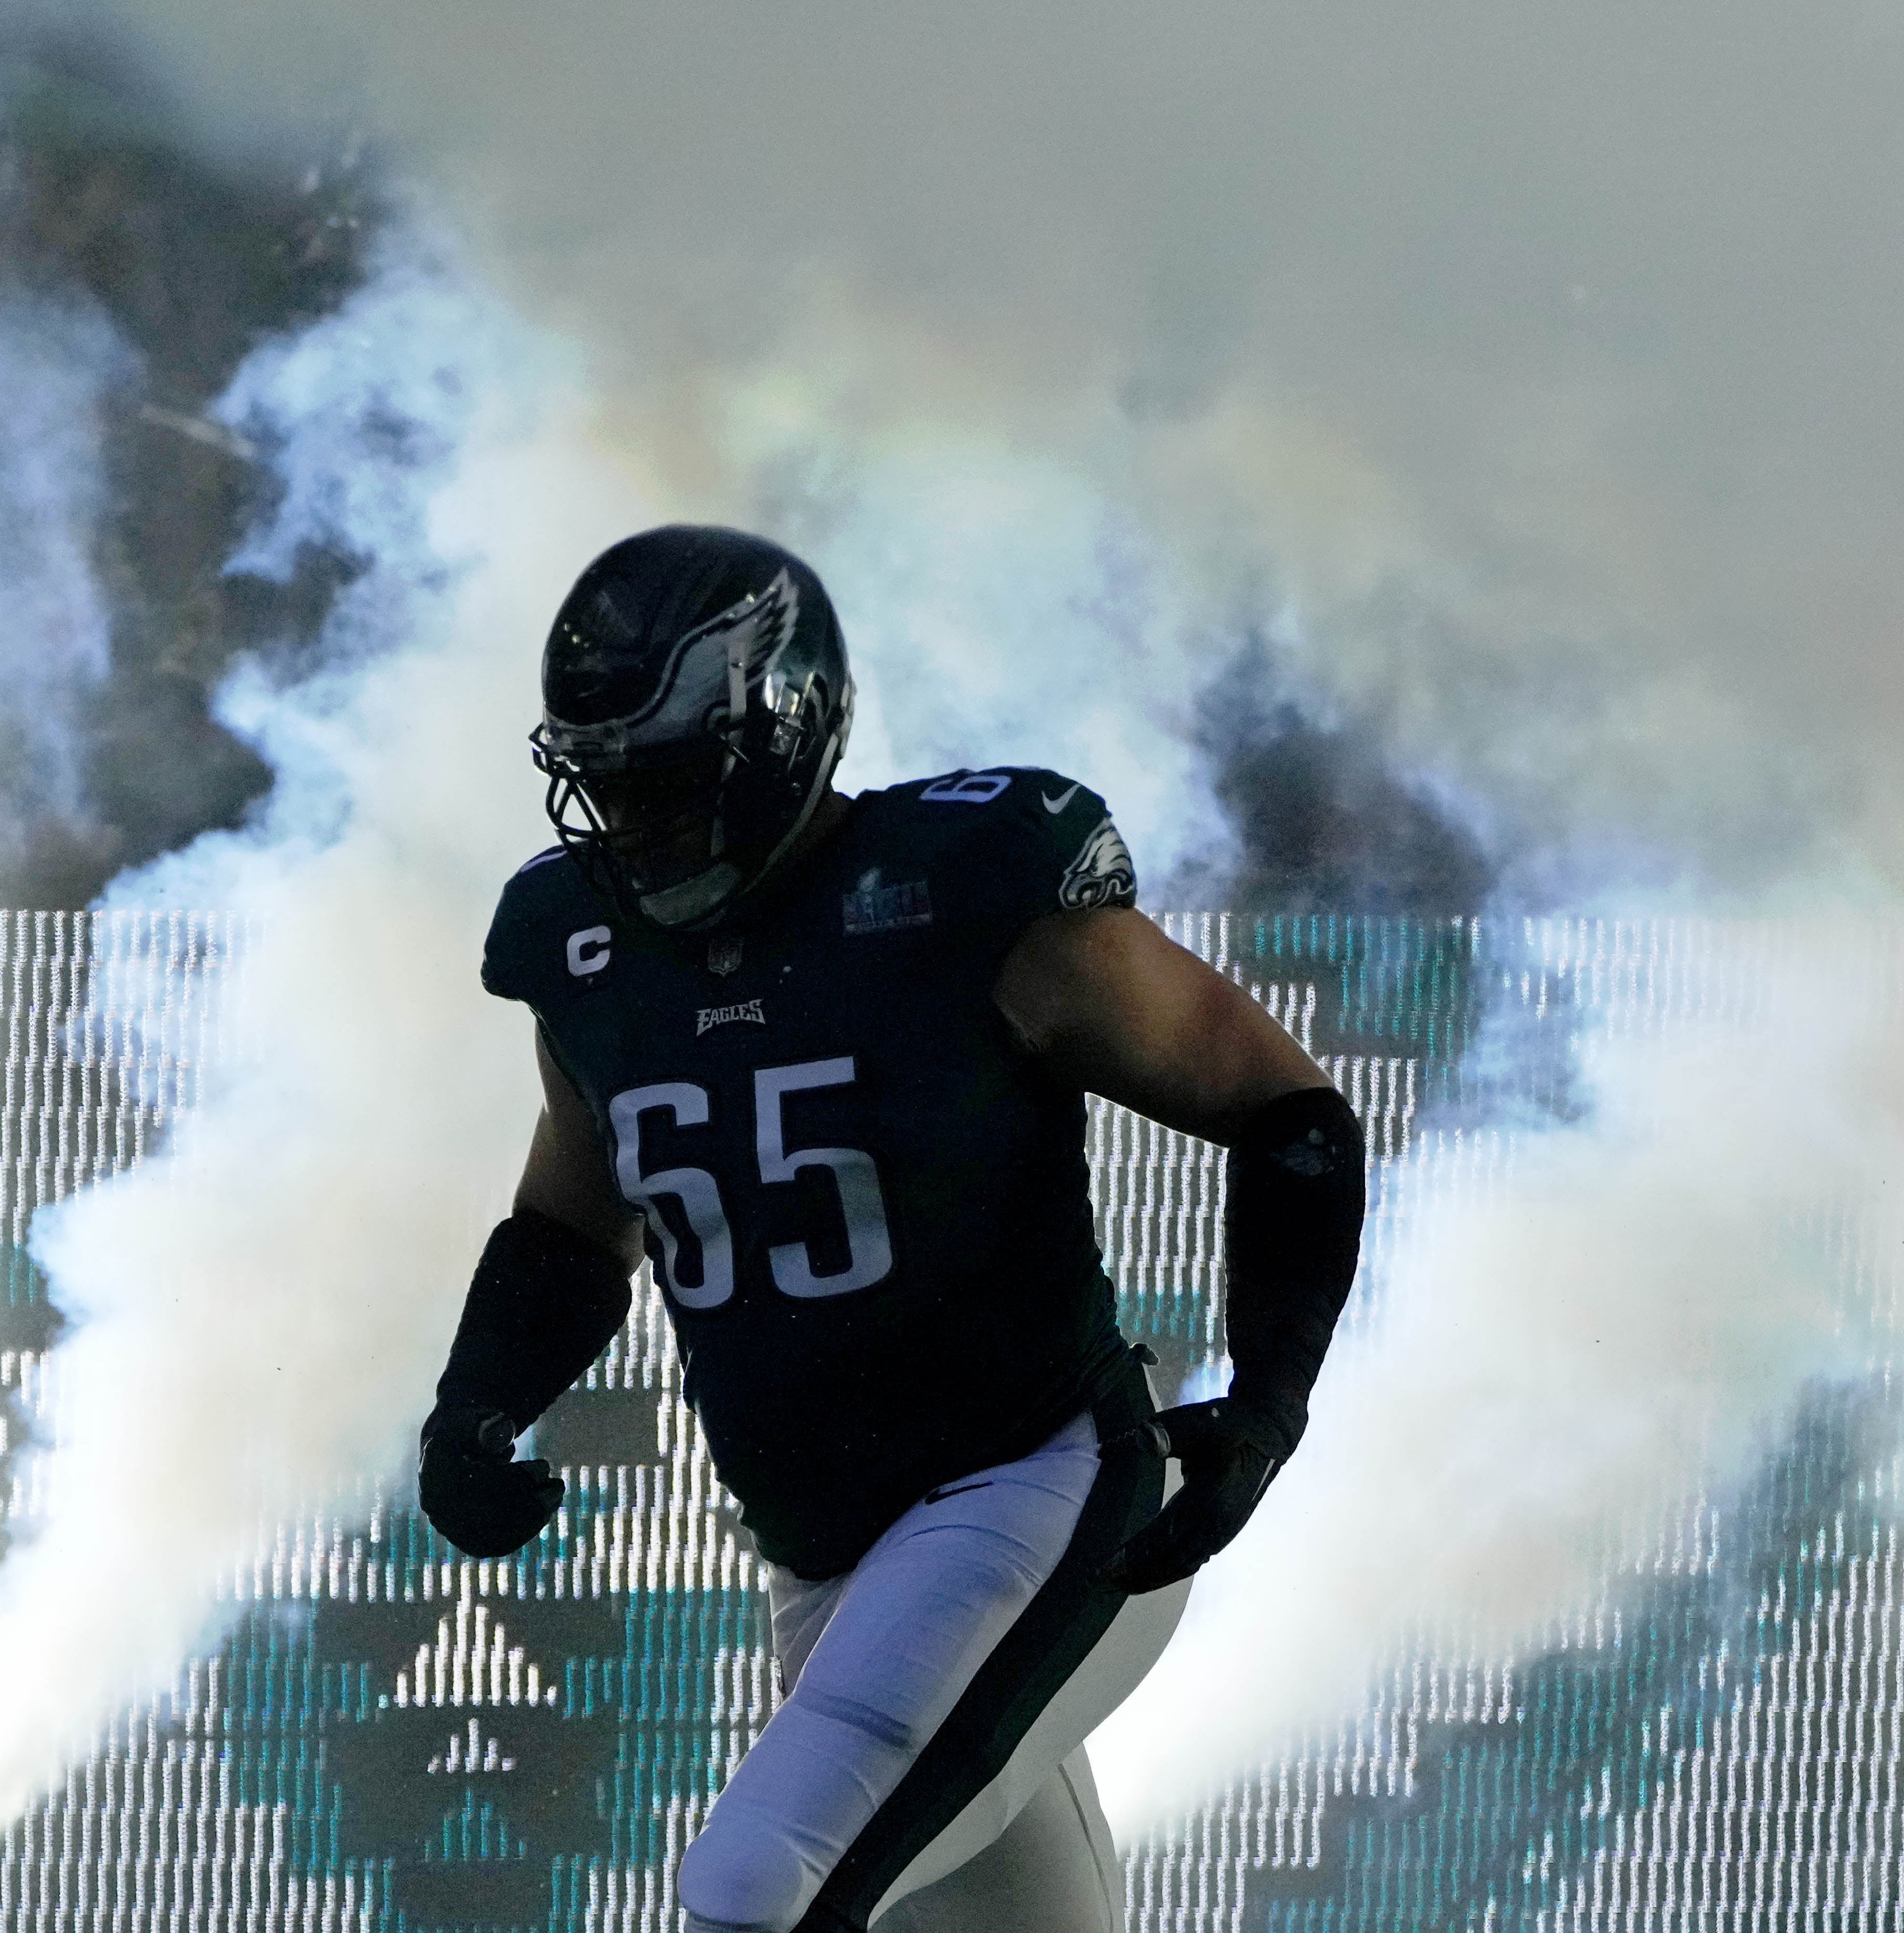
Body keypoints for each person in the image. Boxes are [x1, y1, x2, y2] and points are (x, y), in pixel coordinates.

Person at [419, 526, 1365, 1932]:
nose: (638, 832)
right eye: (612, 790)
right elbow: (572, 1215)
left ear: (780, 729)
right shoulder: (585, 955)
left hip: (1040, 1493)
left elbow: (1285, 1111)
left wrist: (1270, 1398)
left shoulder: (966, 886)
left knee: (757, 1885)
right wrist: (478, 1404)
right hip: (832, 1568)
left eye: (670, 786)